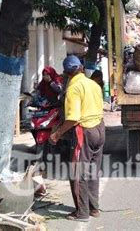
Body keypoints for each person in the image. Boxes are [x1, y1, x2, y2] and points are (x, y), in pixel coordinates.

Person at [49, 55, 105, 222]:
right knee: (93, 171)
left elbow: (73, 117)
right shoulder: (93, 84)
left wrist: (57, 134)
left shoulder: (74, 88)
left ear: (67, 74)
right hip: (100, 129)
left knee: (78, 173)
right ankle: (94, 208)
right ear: (81, 68)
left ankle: (82, 212)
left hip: (85, 131)